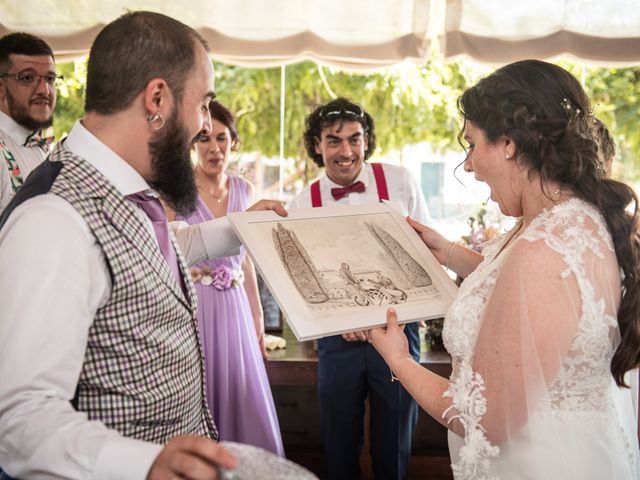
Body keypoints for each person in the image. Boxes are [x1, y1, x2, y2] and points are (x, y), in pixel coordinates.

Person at [0, 11, 286, 480]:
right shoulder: (52, 221)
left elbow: (155, 255)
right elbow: (20, 421)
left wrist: (239, 226)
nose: (202, 125)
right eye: (203, 103)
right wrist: (146, 462)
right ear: (157, 98)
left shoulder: (126, 187)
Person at [368, 59, 640, 479]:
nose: (469, 164)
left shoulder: (543, 246)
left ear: (510, 143)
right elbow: (537, 302)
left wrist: (399, 359)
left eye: (472, 144)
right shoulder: (567, 220)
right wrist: (450, 253)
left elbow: (484, 417)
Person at [289, 97, 432, 480]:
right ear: (317, 146)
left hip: (399, 333)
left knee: (395, 445)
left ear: (367, 140)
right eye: (334, 140)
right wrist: (338, 321)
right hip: (338, 343)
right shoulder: (301, 204)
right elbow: (300, 283)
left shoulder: (401, 182)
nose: (346, 150)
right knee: (338, 446)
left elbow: (425, 255)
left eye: (355, 138)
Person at [174, 100, 284, 456]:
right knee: (202, 390)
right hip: (196, 309)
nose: (213, 148)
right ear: (193, 144)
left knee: (244, 390)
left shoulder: (244, 191)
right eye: (204, 139)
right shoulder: (178, 191)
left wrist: (258, 322)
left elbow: (247, 263)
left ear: (232, 143)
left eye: (221, 138)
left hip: (236, 307)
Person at [0, 32, 58, 212]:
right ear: (1, 88)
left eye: (50, 79)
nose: (44, 90)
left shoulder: (45, 149)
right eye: (27, 78)